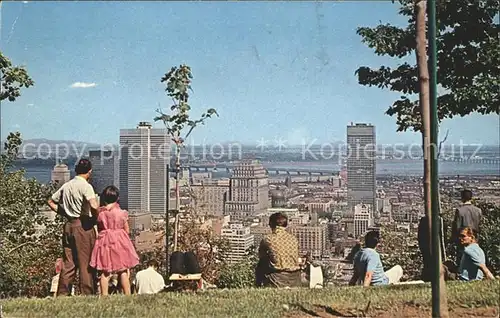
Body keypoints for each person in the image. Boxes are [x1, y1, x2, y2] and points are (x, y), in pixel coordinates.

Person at [47, 159, 99, 296]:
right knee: (85, 262)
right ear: (89, 171)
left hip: (68, 225)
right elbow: (94, 205)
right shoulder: (86, 186)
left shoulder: (67, 185)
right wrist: (94, 218)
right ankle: (87, 293)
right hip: (82, 226)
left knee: (68, 262)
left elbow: (50, 201)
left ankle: (63, 294)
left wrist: (63, 212)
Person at [90, 185, 139, 296]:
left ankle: (104, 295)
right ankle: (127, 294)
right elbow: (126, 229)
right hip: (120, 241)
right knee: (123, 270)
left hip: (104, 241)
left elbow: (99, 228)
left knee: (105, 271)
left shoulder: (101, 213)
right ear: (117, 198)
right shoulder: (122, 213)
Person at [256, 212, 302, 288]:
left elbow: (261, 256)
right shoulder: (293, 238)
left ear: (271, 224)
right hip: (295, 276)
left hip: (277, 277)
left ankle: (258, 285)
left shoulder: (268, 239)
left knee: (262, 261)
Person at [453, 189, 482, 264]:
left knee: (462, 260)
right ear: (471, 198)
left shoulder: (459, 211)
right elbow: (479, 225)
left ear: (462, 198)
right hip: (475, 238)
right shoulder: (478, 210)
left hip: (463, 238)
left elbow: (457, 227)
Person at [417, 214, 447, 282]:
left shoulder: (425, 220)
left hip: (427, 248)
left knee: (429, 264)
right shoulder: (440, 220)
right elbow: (444, 237)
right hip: (434, 248)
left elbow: (420, 237)